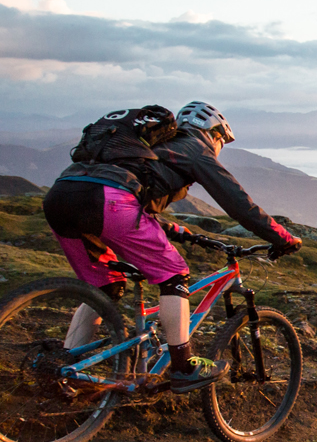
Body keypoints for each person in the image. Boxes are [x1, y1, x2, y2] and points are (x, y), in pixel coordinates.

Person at [41, 101, 302, 392]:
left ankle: (62, 366)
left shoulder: (147, 147)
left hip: (61, 196)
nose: (219, 148)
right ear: (214, 133)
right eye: (221, 141)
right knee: (174, 275)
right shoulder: (196, 147)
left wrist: (177, 231)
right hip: (108, 200)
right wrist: (282, 238)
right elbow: (238, 203)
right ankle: (183, 366)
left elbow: (135, 196)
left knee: (104, 287)